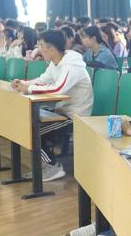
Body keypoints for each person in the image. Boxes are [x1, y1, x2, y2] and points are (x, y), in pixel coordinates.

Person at [11, 30, 94, 182]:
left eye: (41, 46)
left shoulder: (71, 65)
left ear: (52, 49)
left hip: (75, 116)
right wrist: (23, 83)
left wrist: (28, 88)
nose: (38, 49)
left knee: (33, 133)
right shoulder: (55, 62)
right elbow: (42, 80)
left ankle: (54, 167)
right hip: (62, 111)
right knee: (27, 127)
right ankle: (47, 166)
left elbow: (57, 89)